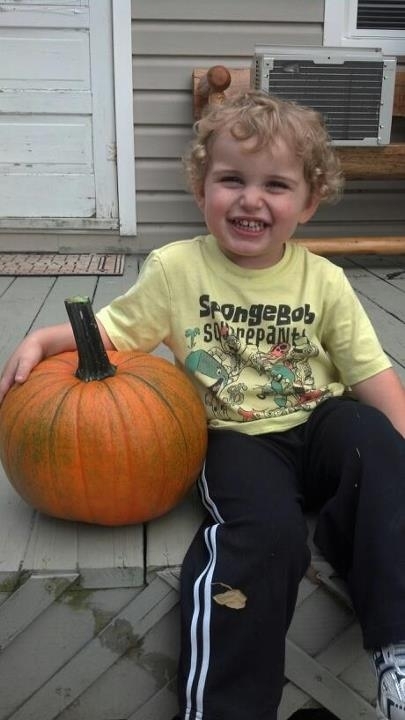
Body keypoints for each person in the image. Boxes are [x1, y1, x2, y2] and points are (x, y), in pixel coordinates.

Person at [1, 90, 405, 720]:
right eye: (231, 180)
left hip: (321, 421)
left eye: (276, 184)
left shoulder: (323, 280)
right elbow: (113, 331)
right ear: (201, 189)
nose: (251, 199)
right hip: (235, 437)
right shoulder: (176, 269)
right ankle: (225, 710)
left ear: (309, 201)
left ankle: (398, 654)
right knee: (263, 535)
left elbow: (372, 374)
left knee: (376, 444)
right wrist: (44, 339)